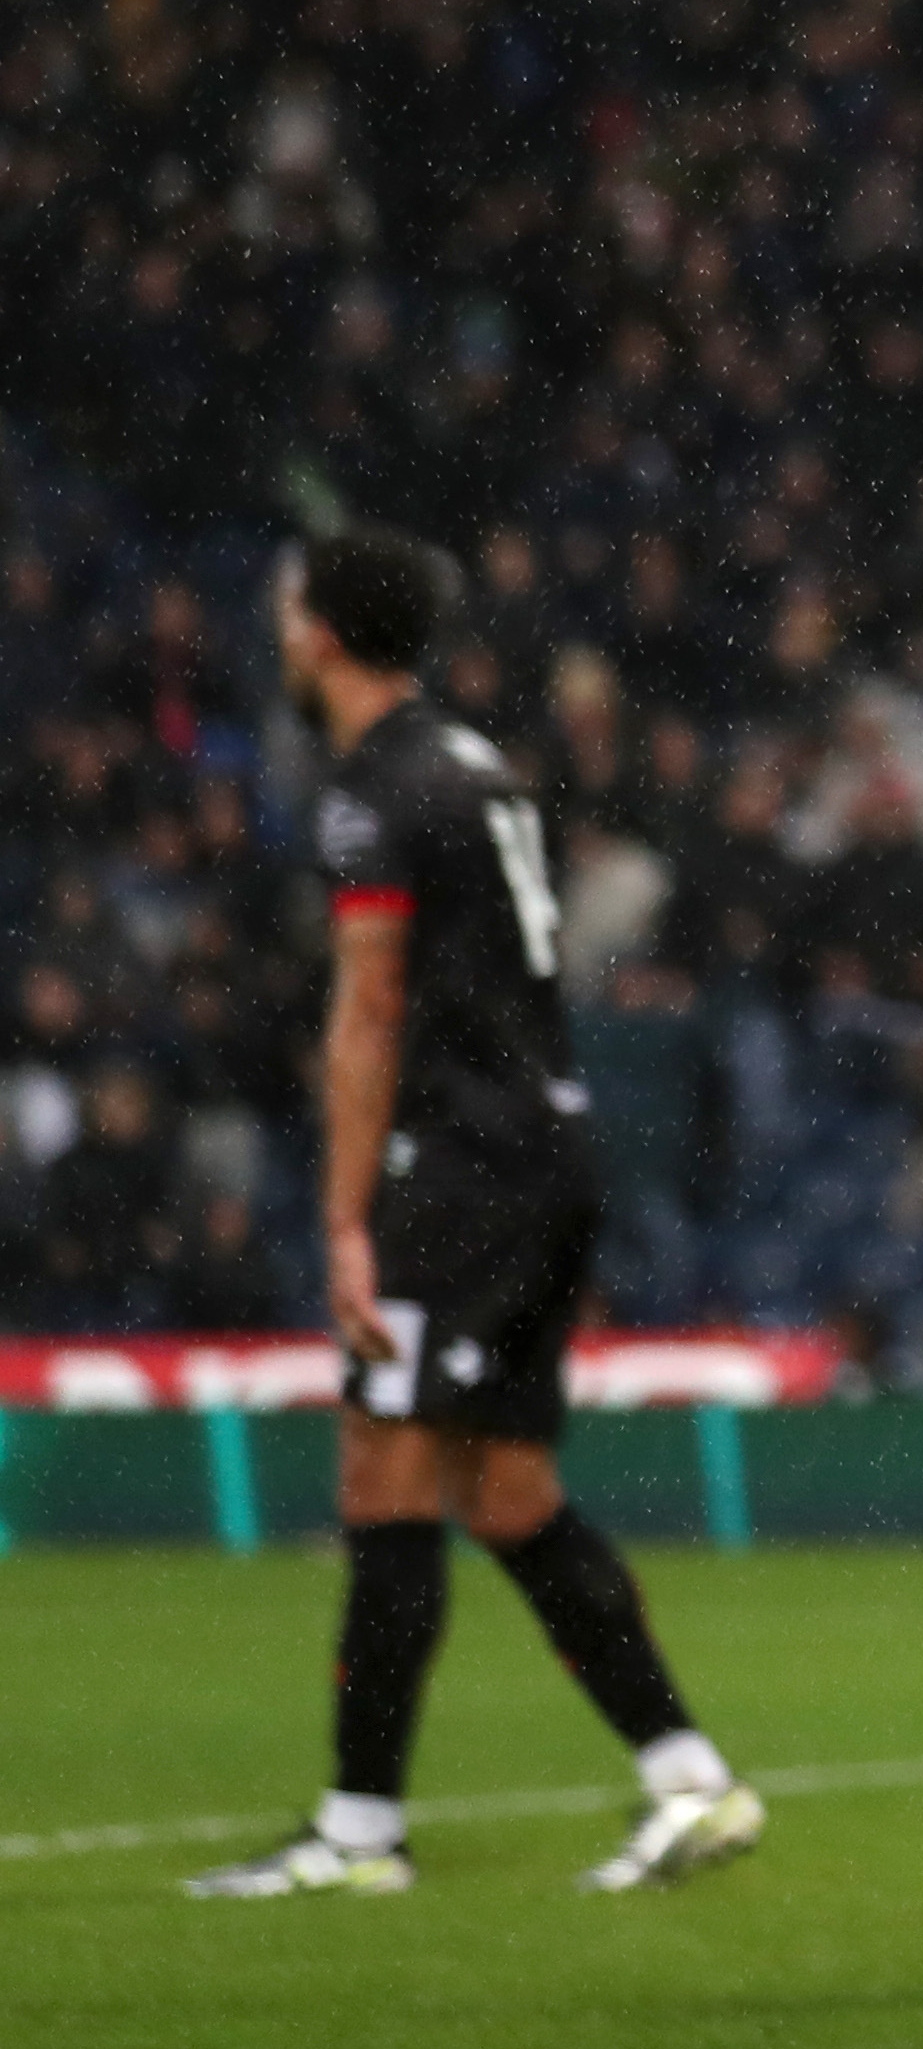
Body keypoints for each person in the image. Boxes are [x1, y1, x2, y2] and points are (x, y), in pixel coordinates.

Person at [188, 529, 765, 1899]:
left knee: (383, 1470)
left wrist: (340, 1219)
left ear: (320, 632)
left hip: (457, 1173)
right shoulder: (478, 768)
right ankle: (687, 1779)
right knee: (505, 1492)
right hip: (544, 1154)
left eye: (289, 607)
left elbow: (370, 1008)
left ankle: (358, 1833)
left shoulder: (375, 793)